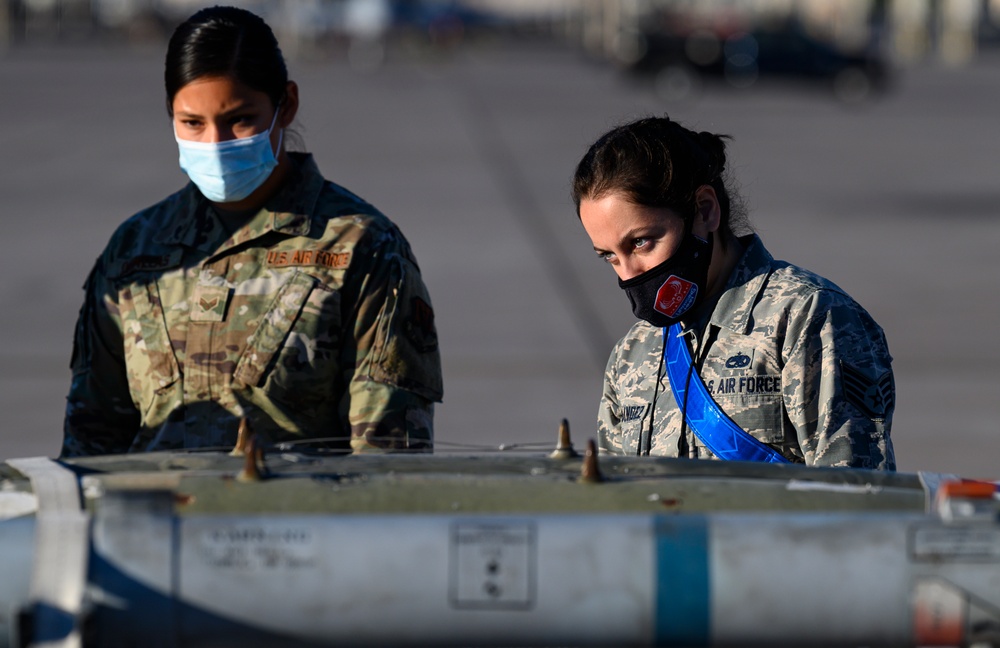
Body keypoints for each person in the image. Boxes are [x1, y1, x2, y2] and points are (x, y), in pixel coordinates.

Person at [61, 6, 442, 456]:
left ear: (287, 106)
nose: (215, 145)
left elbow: (387, 460)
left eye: (240, 120)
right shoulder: (135, 248)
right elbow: (92, 439)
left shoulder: (360, 246)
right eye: (192, 123)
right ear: (171, 115)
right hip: (158, 521)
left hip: (297, 523)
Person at [572, 116, 894, 469]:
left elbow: (857, 499)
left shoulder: (806, 318)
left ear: (705, 210)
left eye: (641, 242)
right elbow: (615, 505)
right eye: (610, 256)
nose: (629, 273)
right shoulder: (632, 354)